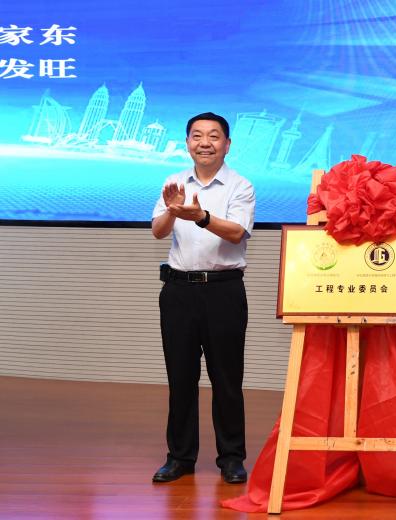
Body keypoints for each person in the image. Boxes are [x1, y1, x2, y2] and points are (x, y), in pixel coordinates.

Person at [150, 112, 256, 484]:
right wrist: (172, 211)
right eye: (197, 136)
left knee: (227, 378)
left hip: (223, 291)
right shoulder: (174, 182)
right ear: (187, 143)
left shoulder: (240, 186)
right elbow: (158, 232)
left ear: (227, 144)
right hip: (178, 291)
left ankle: (231, 458)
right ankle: (180, 457)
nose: (204, 143)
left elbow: (237, 232)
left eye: (213, 136)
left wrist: (200, 215)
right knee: (180, 378)